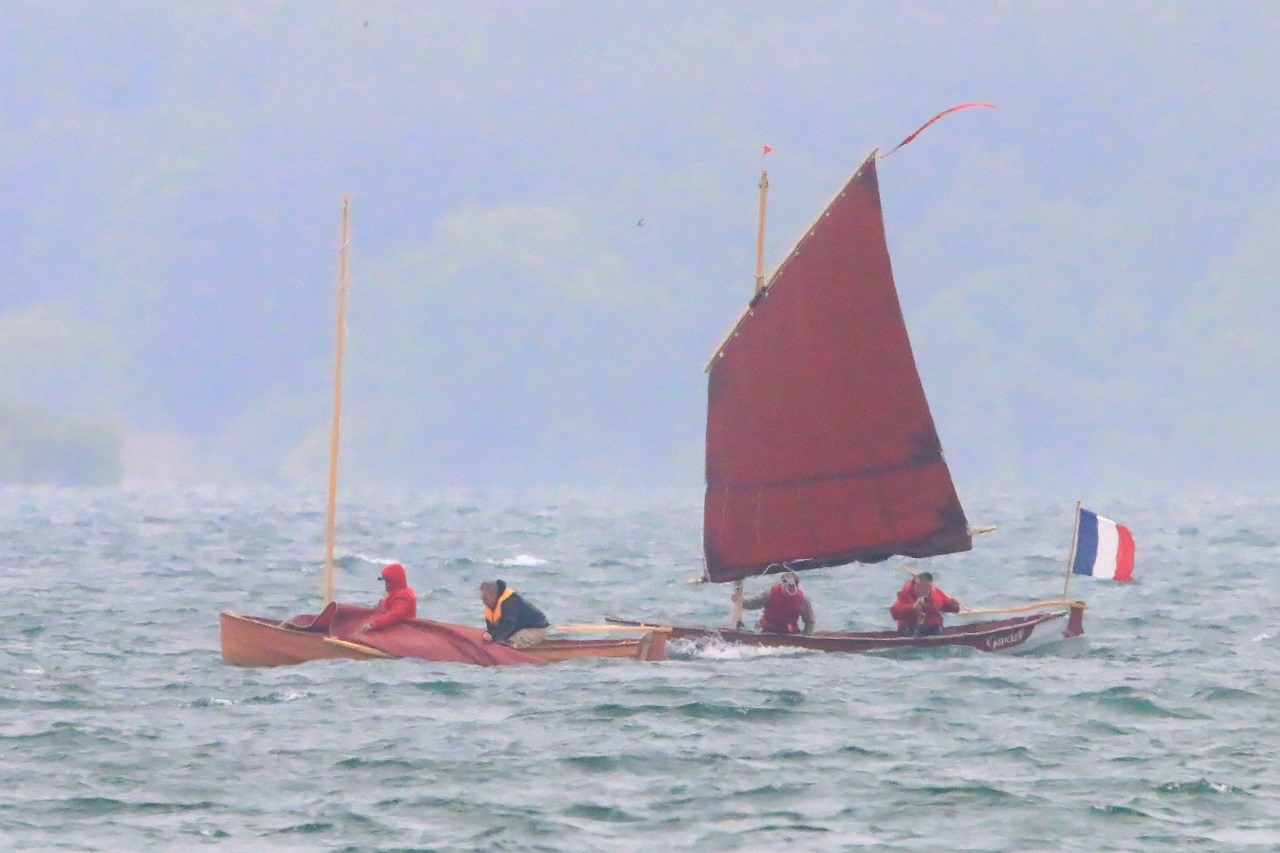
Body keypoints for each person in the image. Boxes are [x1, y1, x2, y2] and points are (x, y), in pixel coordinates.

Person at [733, 571, 815, 634]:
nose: (790, 589)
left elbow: (810, 622)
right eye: (787, 586)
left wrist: (805, 636)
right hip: (767, 629)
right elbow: (753, 603)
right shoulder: (771, 593)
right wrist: (739, 600)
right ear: (782, 584)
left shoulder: (803, 600)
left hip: (789, 632)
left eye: (793, 586)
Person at [480, 579, 550, 648]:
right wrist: (490, 634)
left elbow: (509, 623)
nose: (484, 602)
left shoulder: (510, 601)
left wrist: (492, 635)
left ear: (493, 594)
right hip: (519, 630)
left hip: (537, 628)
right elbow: (493, 628)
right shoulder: (491, 607)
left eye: (485, 598)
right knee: (501, 642)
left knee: (511, 644)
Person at [889, 571, 960, 637]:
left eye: (926, 587)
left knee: (938, 630)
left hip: (934, 628)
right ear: (915, 584)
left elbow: (947, 605)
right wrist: (913, 607)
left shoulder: (935, 592)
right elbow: (894, 613)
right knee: (917, 632)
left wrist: (953, 605)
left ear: (930, 586)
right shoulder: (906, 593)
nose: (922, 590)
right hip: (910, 629)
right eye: (919, 586)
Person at [360, 562, 417, 632]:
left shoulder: (404, 596)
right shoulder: (395, 592)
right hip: (391, 624)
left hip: (402, 629)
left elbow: (396, 615)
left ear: (394, 582)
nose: (386, 584)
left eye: (387, 581)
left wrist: (374, 624)